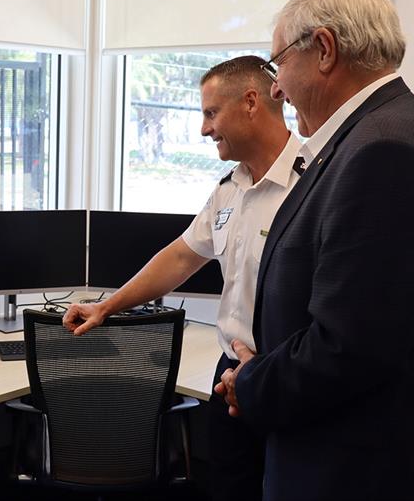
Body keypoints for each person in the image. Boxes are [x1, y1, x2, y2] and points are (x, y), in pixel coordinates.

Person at [215, 0, 414, 501]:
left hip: (347, 469)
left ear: (323, 49)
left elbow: (350, 347)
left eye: (278, 67)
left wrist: (250, 383)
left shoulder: (384, 150)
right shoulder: (401, 128)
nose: (276, 89)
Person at [63, 55, 303, 501]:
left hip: (286, 378)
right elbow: (179, 258)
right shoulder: (228, 189)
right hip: (229, 377)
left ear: (251, 102)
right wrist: (106, 306)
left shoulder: (311, 182)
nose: (204, 129)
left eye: (211, 113)